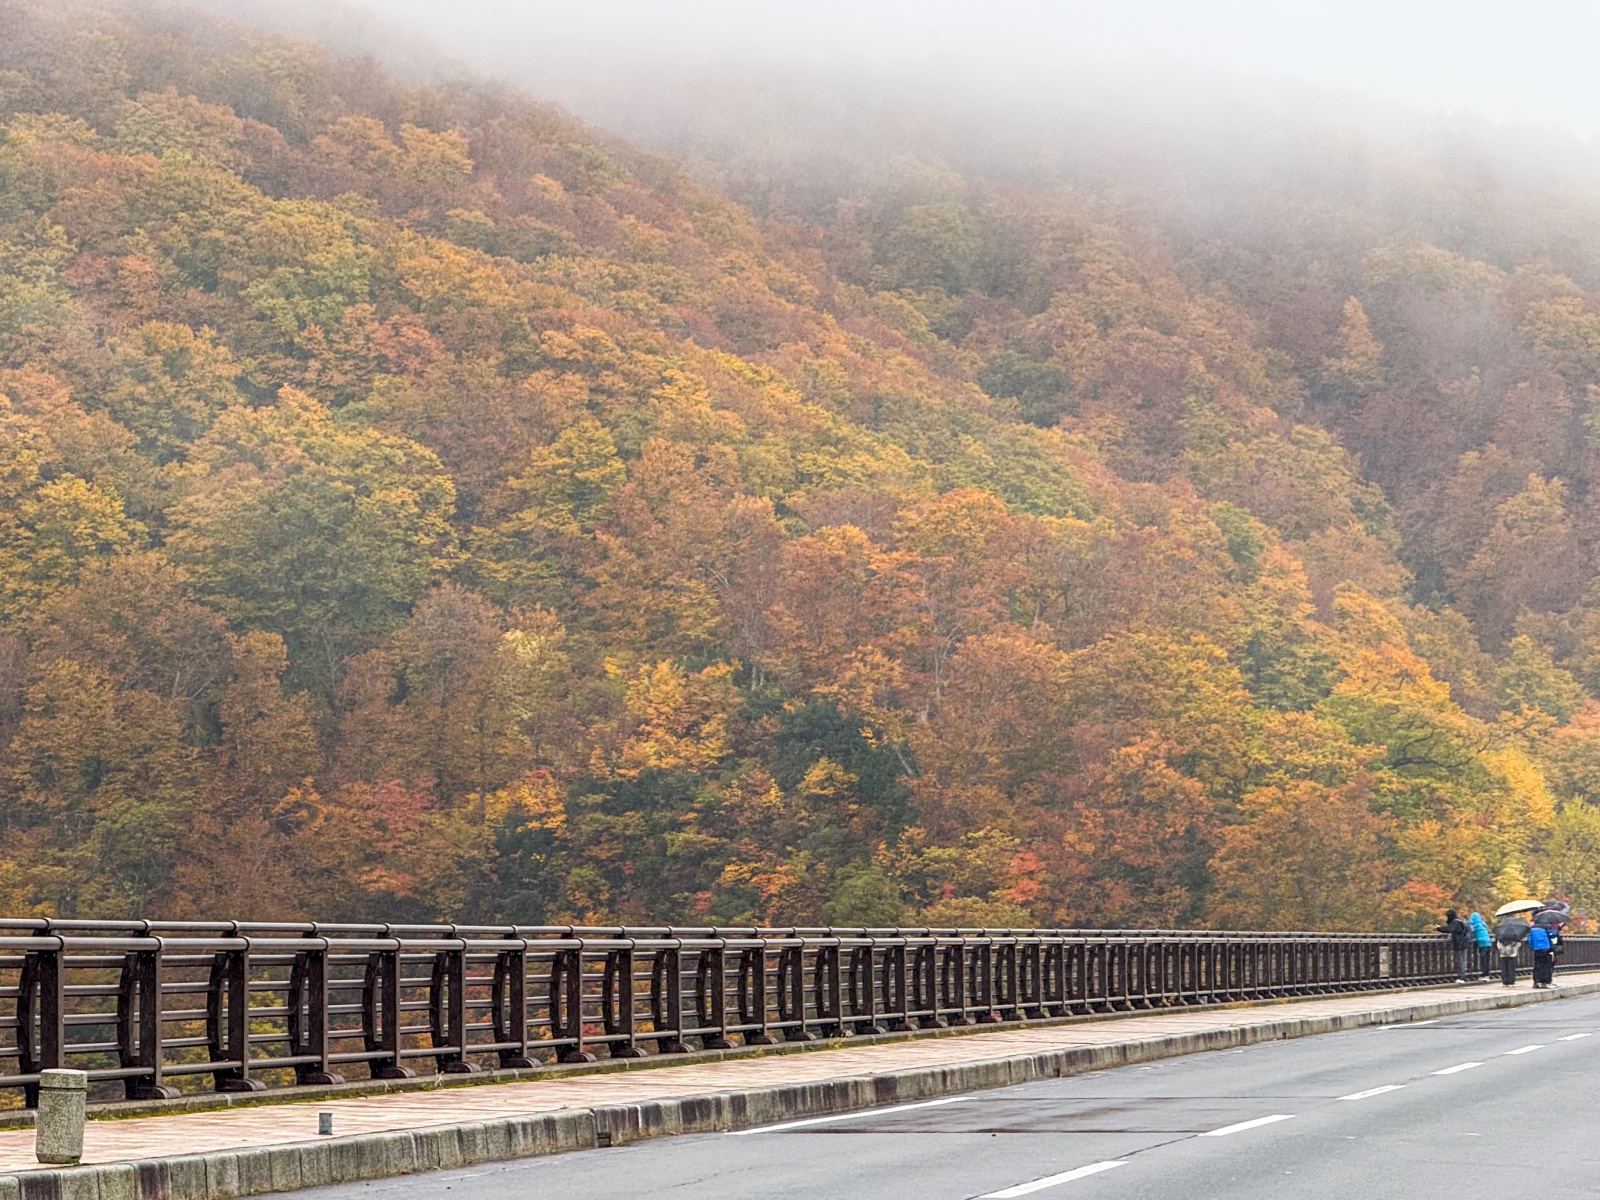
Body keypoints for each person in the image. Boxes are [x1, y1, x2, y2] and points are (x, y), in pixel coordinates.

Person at [1435, 909, 1471, 981]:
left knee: (1459, 960)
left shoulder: (1455, 922)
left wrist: (1439, 928)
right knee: (1463, 960)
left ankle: (1461, 977)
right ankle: (1463, 975)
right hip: (1464, 943)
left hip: (1458, 944)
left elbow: (1449, 929)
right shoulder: (1460, 922)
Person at [1494, 916, 1529, 987]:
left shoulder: (1501, 934)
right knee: (1511, 967)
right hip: (1512, 953)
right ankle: (1511, 981)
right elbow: (1518, 944)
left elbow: (1497, 944)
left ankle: (1504, 981)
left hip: (1503, 953)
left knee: (1504, 967)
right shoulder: (1515, 935)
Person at [1528, 921, 1556, 989]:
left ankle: (1535, 982)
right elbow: (1551, 937)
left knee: (1537, 965)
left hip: (1536, 949)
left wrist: (1533, 946)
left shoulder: (1532, 929)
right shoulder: (1545, 928)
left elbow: (1529, 939)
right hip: (1545, 948)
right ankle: (1544, 982)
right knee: (1545, 965)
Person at [1469, 911, 1492, 979]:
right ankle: (1487, 974)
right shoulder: (1483, 924)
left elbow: (1471, 933)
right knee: (1487, 959)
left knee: (1483, 959)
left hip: (1482, 943)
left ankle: (1484, 974)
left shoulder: (1475, 925)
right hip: (1488, 942)